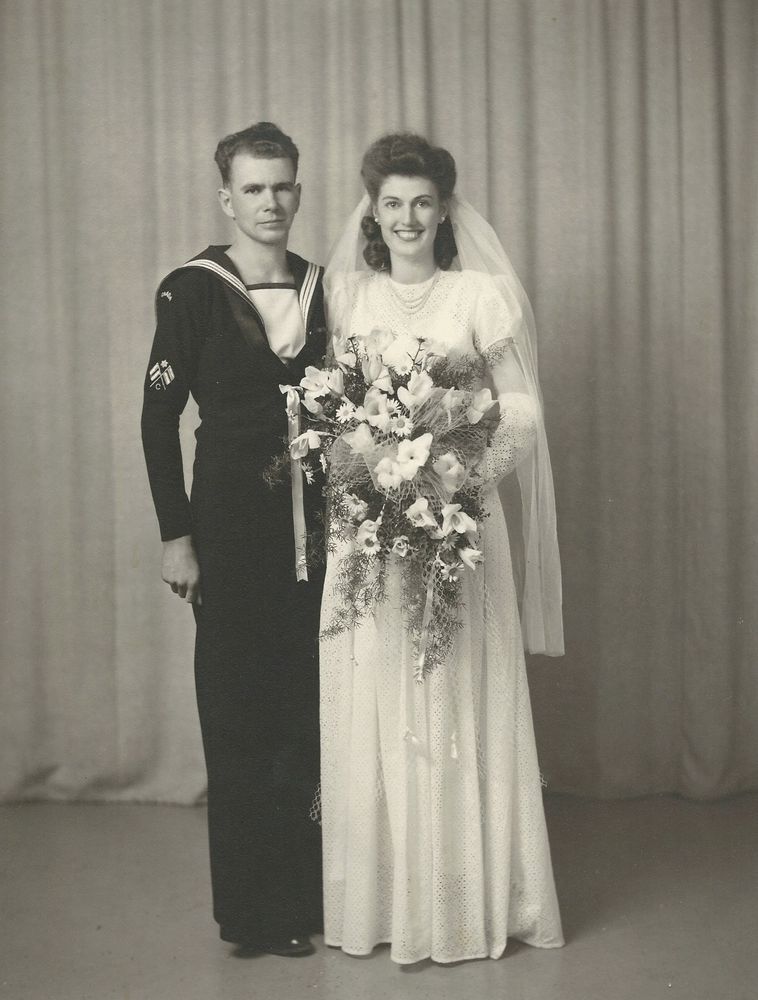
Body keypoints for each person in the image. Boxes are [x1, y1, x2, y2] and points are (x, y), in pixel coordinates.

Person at [319, 133, 565, 964]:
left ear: (445, 210)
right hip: (372, 533)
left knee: (457, 697)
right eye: (392, 203)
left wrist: (454, 483)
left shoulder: (479, 295)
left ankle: (464, 904)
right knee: (382, 693)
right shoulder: (350, 298)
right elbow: (332, 417)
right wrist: (370, 469)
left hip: (456, 523)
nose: (407, 218)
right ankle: (390, 905)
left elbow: (521, 411)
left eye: (422, 202)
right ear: (373, 213)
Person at [141, 122, 326, 957]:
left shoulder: (325, 288)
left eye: (283, 185)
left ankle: (301, 906)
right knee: (238, 715)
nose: (271, 202)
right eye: (254, 188)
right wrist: (177, 538)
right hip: (227, 529)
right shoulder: (193, 289)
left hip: (315, 533)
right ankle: (248, 914)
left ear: (299, 189)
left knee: (304, 714)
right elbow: (157, 419)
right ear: (227, 198)